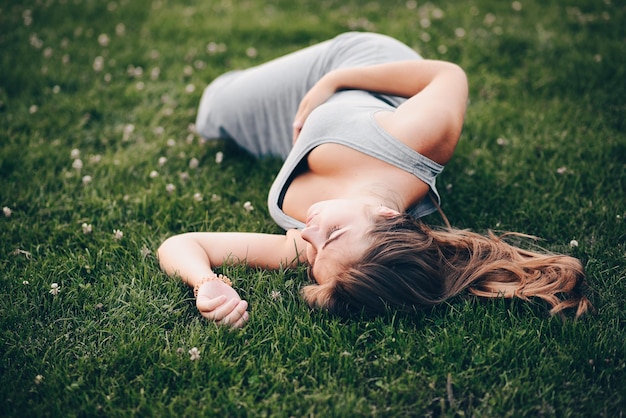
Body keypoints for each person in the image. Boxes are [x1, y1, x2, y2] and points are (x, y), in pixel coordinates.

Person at [157, 32, 591, 328]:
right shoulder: (416, 140)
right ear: (384, 214)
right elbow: (448, 75)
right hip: (361, 70)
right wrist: (335, 80)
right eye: (335, 232)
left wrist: (206, 282)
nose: (307, 229)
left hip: (303, 131)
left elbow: (181, 244)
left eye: (314, 252)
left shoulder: (311, 247)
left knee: (216, 123)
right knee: (213, 104)